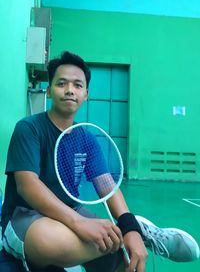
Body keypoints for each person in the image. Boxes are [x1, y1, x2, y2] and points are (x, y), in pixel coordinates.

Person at [1, 51, 199, 272]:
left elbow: (108, 188)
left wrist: (127, 224)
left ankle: (134, 233)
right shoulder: (29, 128)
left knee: (127, 261)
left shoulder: (86, 138)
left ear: (86, 94)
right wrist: (83, 224)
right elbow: (28, 186)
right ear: (49, 90)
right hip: (26, 213)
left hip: (71, 209)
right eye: (61, 83)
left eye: (77, 85)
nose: (69, 90)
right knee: (47, 241)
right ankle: (136, 235)